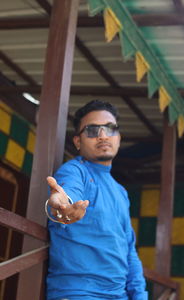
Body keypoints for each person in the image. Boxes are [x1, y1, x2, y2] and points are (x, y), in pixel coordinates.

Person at [46, 100, 148, 300]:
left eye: (110, 129)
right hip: (77, 293)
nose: (102, 136)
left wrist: (140, 296)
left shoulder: (121, 192)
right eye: (92, 130)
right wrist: (61, 208)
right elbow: (66, 195)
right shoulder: (75, 171)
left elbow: (129, 250)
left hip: (119, 295)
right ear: (78, 141)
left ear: (118, 137)